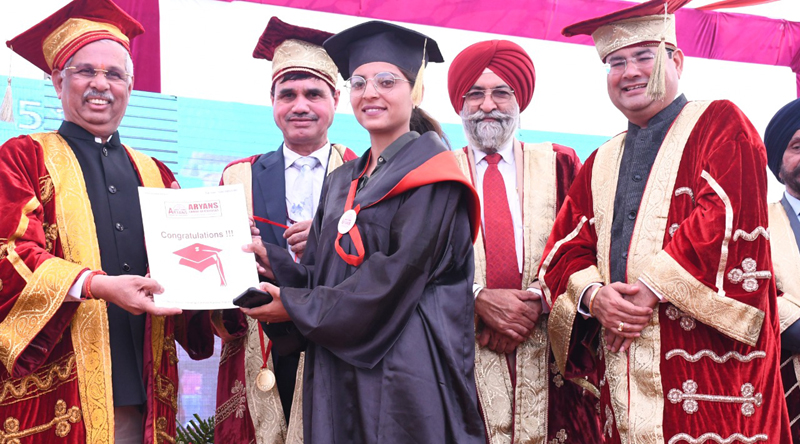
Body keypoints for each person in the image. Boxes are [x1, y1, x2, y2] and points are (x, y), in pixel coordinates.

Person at [538, 0, 792, 442]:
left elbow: (726, 214)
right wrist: (595, 297)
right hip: (626, 373)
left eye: (644, 56)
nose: (630, 71)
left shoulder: (720, 123)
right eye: (616, 62)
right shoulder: (601, 160)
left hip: (709, 372)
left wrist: (648, 289)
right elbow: (565, 248)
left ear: (676, 60)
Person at [242, 20, 485, 444]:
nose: (370, 93)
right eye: (358, 82)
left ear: (415, 90)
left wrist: (295, 307)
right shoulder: (344, 180)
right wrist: (272, 261)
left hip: (406, 374)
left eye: (386, 81)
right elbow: (320, 274)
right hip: (339, 369)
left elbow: (392, 281)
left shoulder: (435, 179)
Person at [0, 0, 215, 443]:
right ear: (58, 81)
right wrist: (96, 285)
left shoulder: (157, 174)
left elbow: (185, 273)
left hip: (143, 387)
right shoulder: (22, 157)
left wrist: (228, 261)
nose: (101, 84)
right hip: (59, 390)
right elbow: (10, 252)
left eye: (114, 74)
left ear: (130, 88)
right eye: (85, 71)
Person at [447, 39, 602, 443]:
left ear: (521, 100)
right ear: (459, 104)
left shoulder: (560, 162)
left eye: (502, 92)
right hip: (463, 352)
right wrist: (478, 298)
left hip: (553, 354)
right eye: (475, 94)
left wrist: (535, 300)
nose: (487, 105)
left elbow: (587, 243)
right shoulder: (439, 174)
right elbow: (420, 261)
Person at [212, 17, 356, 444]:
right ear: (271, 100)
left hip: (337, 347)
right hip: (261, 344)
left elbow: (386, 267)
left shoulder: (364, 174)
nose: (300, 105)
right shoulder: (239, 176)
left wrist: (330, 240)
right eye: (287, 94)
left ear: (335, 98)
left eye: (314, 93)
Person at [764, 97, 800, 442]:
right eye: (798, 146)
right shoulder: (754, 225)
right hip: (783, 386)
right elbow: (752, 289)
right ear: (779, 164)